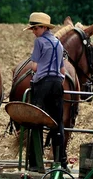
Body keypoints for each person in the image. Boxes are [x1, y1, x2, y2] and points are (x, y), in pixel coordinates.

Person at [24, 12, 67, 168]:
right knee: (58, 123)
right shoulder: (59, 44)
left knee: (35, 121)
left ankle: (34, 163)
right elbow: (62, 71)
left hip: (42, 84)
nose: (34, 32)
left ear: (43, 27)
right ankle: (61, 161)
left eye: (35, 28)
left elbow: (34, 66)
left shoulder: (39, 42)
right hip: (57, 85)